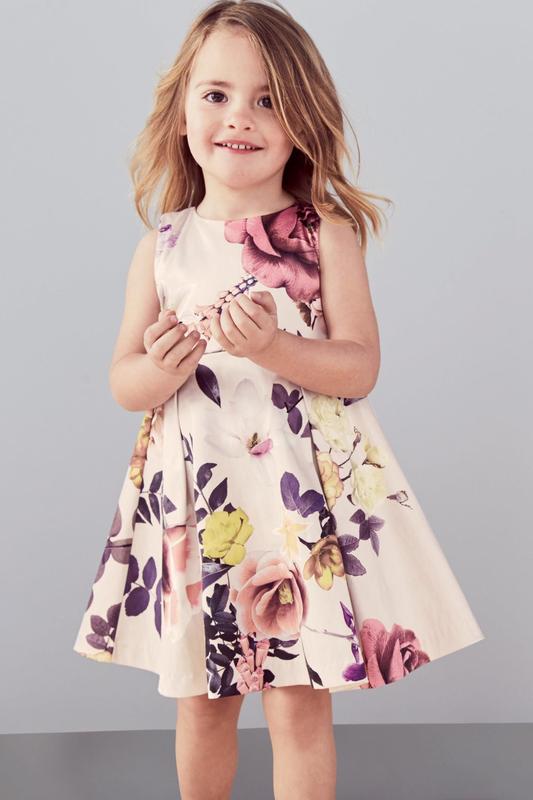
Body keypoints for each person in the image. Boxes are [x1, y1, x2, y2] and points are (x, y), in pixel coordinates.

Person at [72, 2, 485, 798]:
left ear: (302, 118)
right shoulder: (161, 247)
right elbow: (124, 382)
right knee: (202, 702)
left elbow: (358, 366)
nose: (239, 117)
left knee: (297, 702)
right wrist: (160, 368)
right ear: (182, 112)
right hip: (199, 505)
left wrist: (272, 348)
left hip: (295, 507)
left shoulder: (323, 234)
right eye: (216, 95)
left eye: (267, 99)